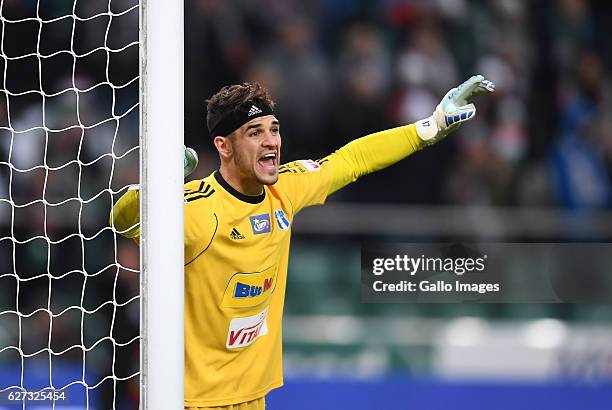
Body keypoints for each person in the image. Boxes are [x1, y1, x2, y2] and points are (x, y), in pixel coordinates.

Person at [110, 75, 494, 409]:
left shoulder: (286, 190)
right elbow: (123, 223)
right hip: (192, 400)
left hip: (253, 395)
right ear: (223, 147)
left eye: (274, 129)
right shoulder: (198, 210)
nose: (271, 142)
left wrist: (429, 127)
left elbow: (351, 160)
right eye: (254, 133)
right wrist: (151, 186)